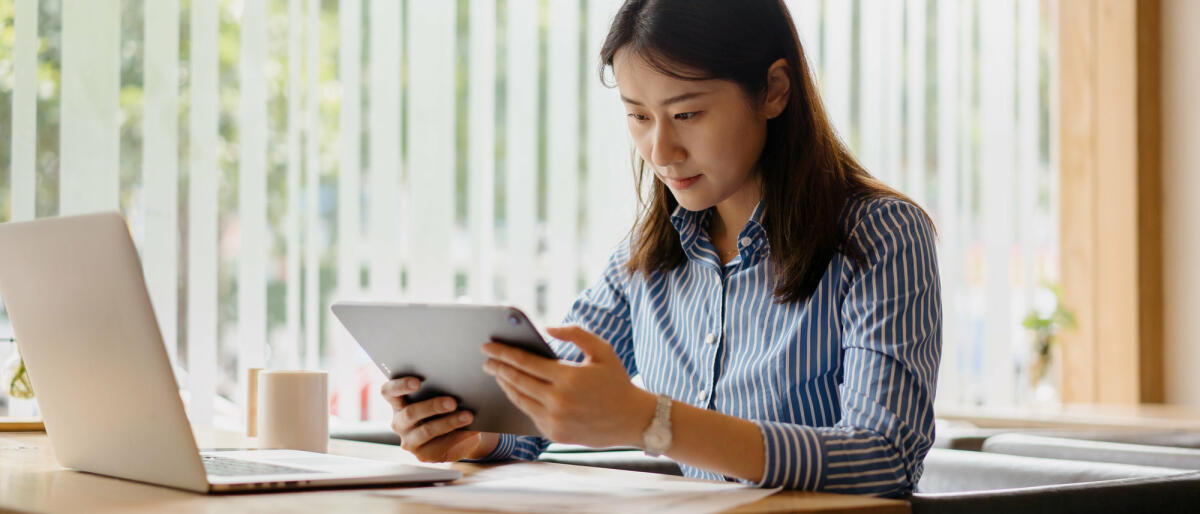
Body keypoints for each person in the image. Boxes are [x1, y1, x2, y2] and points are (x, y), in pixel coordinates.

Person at [381, 0, 940, 497]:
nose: (661, 149)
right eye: (638, 116)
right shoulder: (645, 257)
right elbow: (546, 411)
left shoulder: (881, 235)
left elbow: (883, 454)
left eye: (687, 114)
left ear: (774, 91)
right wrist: (466, 432)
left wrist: (654, 421)